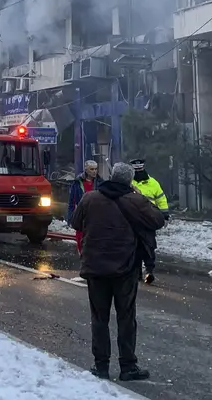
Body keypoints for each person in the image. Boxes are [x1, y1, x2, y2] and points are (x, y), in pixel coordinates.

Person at [70, 162, 164, 382]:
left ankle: (101, 366)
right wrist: (139, 196)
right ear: (129, 181)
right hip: (125, 268)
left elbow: (76, 223)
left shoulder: (90, 198)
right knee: (126, 318)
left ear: (111, 176)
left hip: (95, 268)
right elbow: (158, 220)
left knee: (99, 319)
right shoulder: (136, 200)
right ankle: (128, 367)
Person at [129, 159, 168, 284]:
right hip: (133, 221)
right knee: (134, 247)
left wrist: (164, 214)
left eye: (140, 169)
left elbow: (161, 199)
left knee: (149, 246)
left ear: (144, 168)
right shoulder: (128, 183)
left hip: (148, 220)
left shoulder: (153, 183)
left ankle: (149, 271)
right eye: (136, 170)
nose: (138, 172)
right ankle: (137, 272)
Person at [67, 160, 100, 255]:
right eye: (92, 169)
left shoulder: (100, 183)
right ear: (86, 169)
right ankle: (83, 260)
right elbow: (71, 203)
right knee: (81, 242)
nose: (94, 171)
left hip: (95, 217)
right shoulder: (77, 183)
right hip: (81, 217)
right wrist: (70, 219)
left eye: (96, 169)